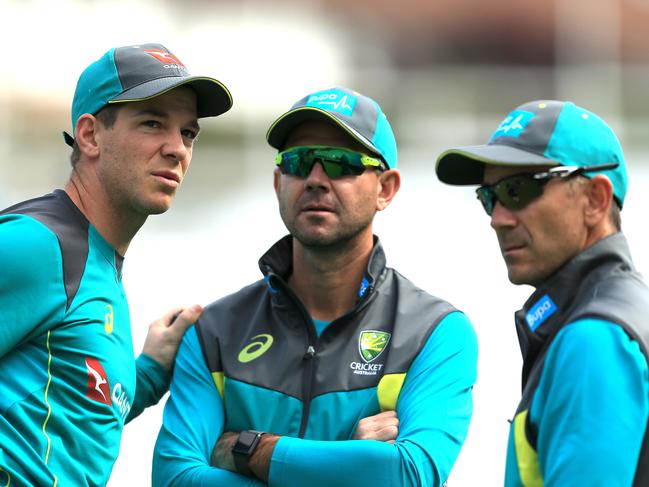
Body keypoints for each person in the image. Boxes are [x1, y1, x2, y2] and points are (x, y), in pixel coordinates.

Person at [153, 86, 478, 486]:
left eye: (341, 164)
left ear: (386, 189)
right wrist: (347, 462)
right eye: (299, 162)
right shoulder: (214, 331)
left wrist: (252, 449)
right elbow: (173, 479)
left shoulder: (435, 332)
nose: (316, 179)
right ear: (278, 182)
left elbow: (408, 474)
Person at [0, 43, 233, 486]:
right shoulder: (38, 245)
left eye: (188, 133)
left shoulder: (99, 261)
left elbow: (75, 410)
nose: (176, 149)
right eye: (152, 123)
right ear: (90, 135)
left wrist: (148, 370)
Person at [435, 100, 649, 486]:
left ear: (595, 200)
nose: (498, 219)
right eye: (490, 197)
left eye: (518, 190)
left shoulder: (594, 337)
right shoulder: (622, 310)